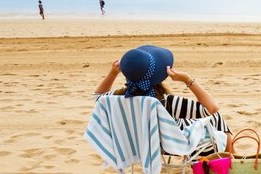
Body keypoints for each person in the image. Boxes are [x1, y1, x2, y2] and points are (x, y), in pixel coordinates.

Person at [93, 45, 233, 151]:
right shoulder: (165, 102)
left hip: (142, 146)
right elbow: (212, 108)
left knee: (209, 118)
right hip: (173, 145)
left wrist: (112, 73)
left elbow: (98, 96)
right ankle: (233, 157)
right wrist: (188, 80)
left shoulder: (117, 98)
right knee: (215, 118)